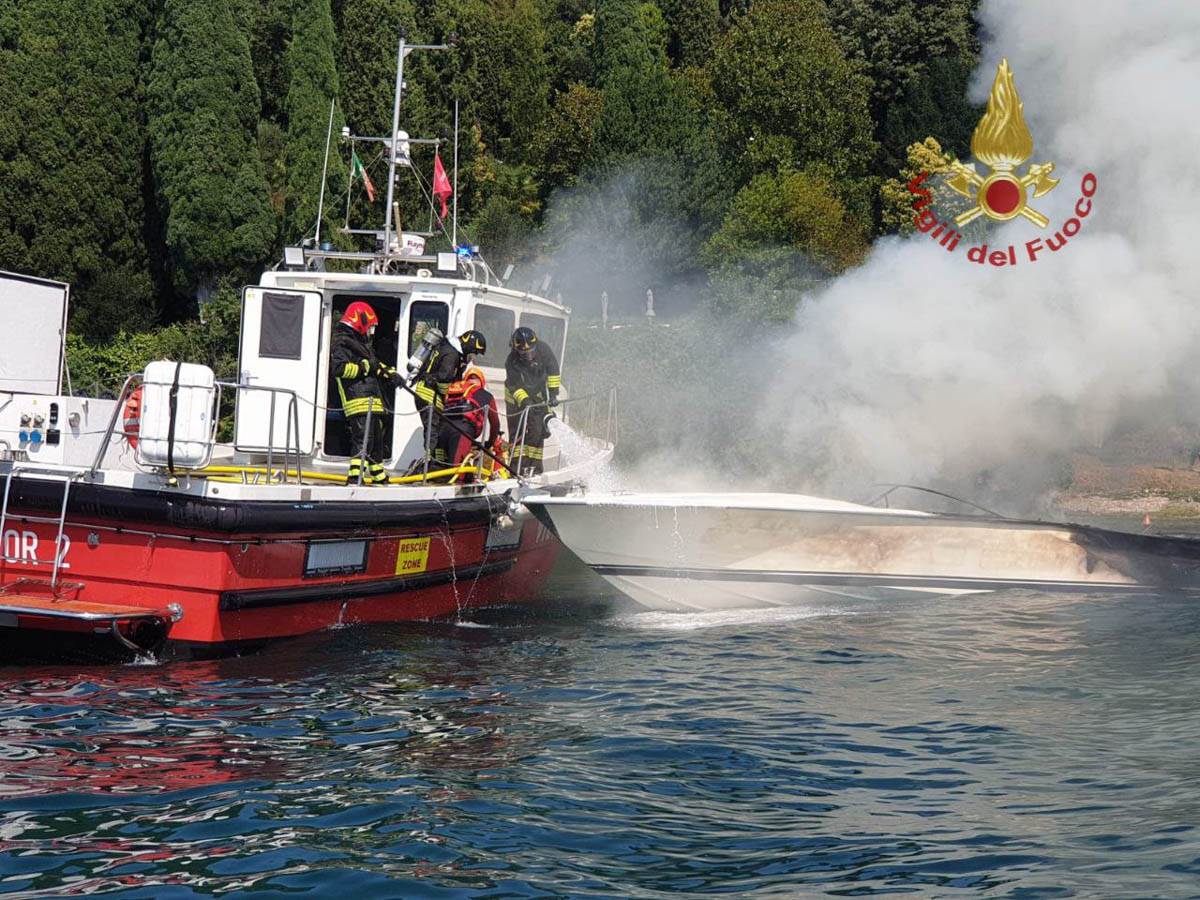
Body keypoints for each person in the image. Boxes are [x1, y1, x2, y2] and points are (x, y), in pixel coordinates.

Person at [331, 301, 398, 485]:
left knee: (376, 441)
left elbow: (373, 364)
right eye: (369, 326)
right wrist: (364, 367)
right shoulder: (342, 341)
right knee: (363, 440)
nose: (370, 330)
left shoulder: (359, 342)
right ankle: (355, 478)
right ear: (359, 320)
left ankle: (379, 476)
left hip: (369, 398)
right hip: (357, 399)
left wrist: (391, 374)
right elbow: (339, 369)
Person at [411, 329, 487, 463]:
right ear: (467, 346)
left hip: (430, 393)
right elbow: (444, 379)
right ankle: (429, 461)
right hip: (429, 394)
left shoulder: (448, 348)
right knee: (433, 428)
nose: (472, 357)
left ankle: (439, 461)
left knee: (439, 429)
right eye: (473, 353)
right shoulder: (452, 354)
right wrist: (452, 398)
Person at [504, 326, 561, 475]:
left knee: (537, 431)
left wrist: (554, 394)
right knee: (517, 433)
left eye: (531, 351)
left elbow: (553, 371)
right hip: (514, 399)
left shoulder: (544, 350)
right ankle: (515, 469)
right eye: (524, 352)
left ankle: (535, 469)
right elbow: (514, 385)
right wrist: (525, 401)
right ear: (517, 349)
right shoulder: (511, 361)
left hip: (536, 395)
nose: (528, 354)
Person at [435, 366, 503, 480]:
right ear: (482, 382)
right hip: (462, 433)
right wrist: (489, 444)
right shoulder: (486, 395)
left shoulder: (453, 391)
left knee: (442, 467)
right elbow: (495, 424)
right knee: (457, 474)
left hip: (441, 431)